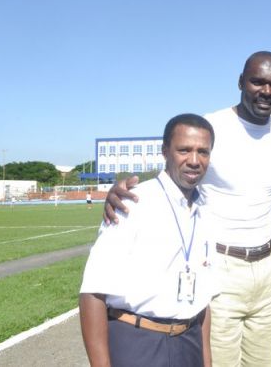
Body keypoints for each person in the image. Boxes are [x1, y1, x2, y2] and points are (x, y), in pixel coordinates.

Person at [103, 51, 271, 366]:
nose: (267, 91)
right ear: (240, 82)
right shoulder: (213, 125)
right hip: (221, 264)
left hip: (268, 269)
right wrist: (121, 192)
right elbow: (177, 174)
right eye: (257, 82)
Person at [79, 114, 218, 367]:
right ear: (165, 152)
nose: (194, 160)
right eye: (184, 150)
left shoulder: (207, 209)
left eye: (203, 152)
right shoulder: (132, 202)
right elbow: (92, 292)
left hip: (189, 342)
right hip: (139, 342)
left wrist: (206, 361)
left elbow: (203, 302)